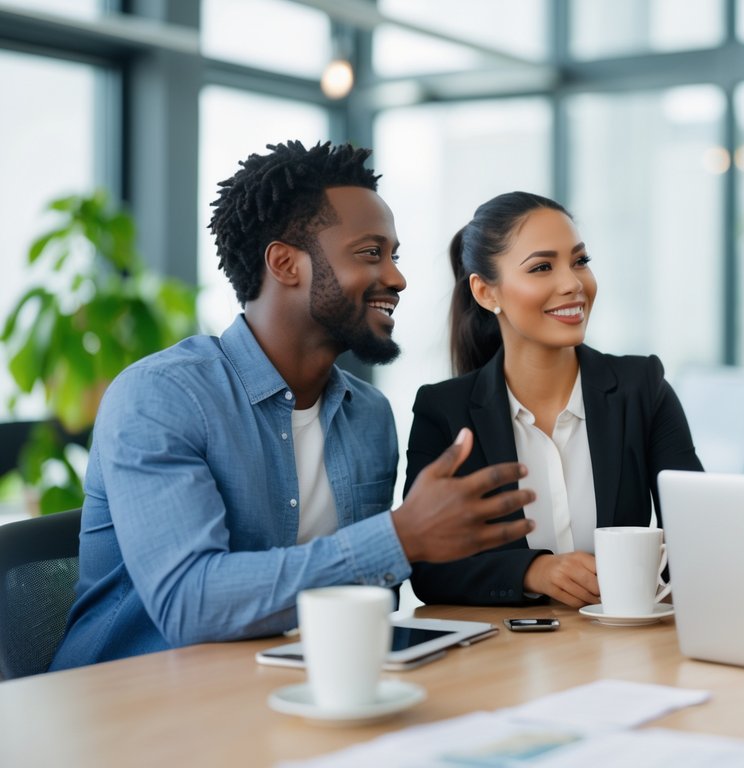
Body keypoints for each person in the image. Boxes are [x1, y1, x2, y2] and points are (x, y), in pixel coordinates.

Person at [51, 141, 535, 670]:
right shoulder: (162, 397)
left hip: (292, 689)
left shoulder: (368, 415)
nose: (397, 278)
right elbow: (189, 603)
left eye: (394, 255)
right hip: (129, 710)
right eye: (371, 253)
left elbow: (365, 598)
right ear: (285, 263)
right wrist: (402, 536)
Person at [405, 191, 703, 608]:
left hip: (622, 646)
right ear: (486, 292)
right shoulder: (444, 411)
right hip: (504, 658)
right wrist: (533, 571)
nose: (572, 283)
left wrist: (642, 583)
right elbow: (427, 568)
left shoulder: (642, 388)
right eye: (542, 267)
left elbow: (700, 537)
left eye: (580, 261)